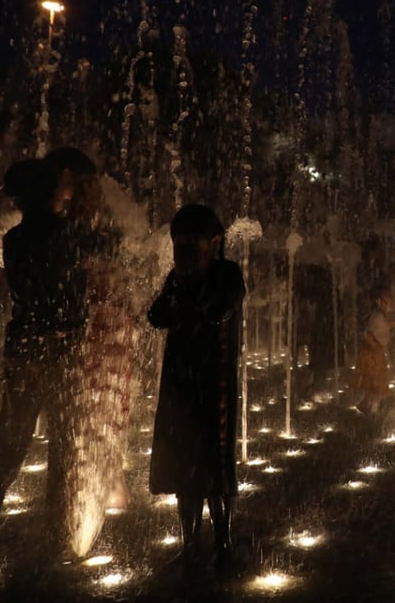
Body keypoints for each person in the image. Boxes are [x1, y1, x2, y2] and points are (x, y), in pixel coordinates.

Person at [0, 157, 96, 566]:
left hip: (25, 348)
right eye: (62, 186)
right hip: (62, 348)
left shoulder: (14, 240)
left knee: (10, 445)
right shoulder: (70, 234)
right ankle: (58, 533)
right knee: (65, 446)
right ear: (50, 192)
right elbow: (83, 283)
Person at [147, 204, 245, 573]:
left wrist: (186, 297)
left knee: (215, 468)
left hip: (213, 385)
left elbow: (219, 309)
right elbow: (156, 316)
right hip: (179, 386)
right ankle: (190, 543)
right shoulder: (178, 278)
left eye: (194, 244)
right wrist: (181, 291)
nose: (185, 252)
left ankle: (223, 543)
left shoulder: (227, 275)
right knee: (183, 466)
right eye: (179, 244)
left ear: (215, 242)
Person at [350, 284, 395, 414]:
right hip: (371, 355)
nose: (390, 306)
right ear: (380, 302)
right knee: (375, 384)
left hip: (374, 354)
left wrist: (391, 325)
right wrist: (373, 344)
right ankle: (372, 412)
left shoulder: (378, 315)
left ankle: (367, 407)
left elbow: (378, 329)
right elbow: (369, 333)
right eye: (388, 303)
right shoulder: (376, 316)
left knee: (373, 385)